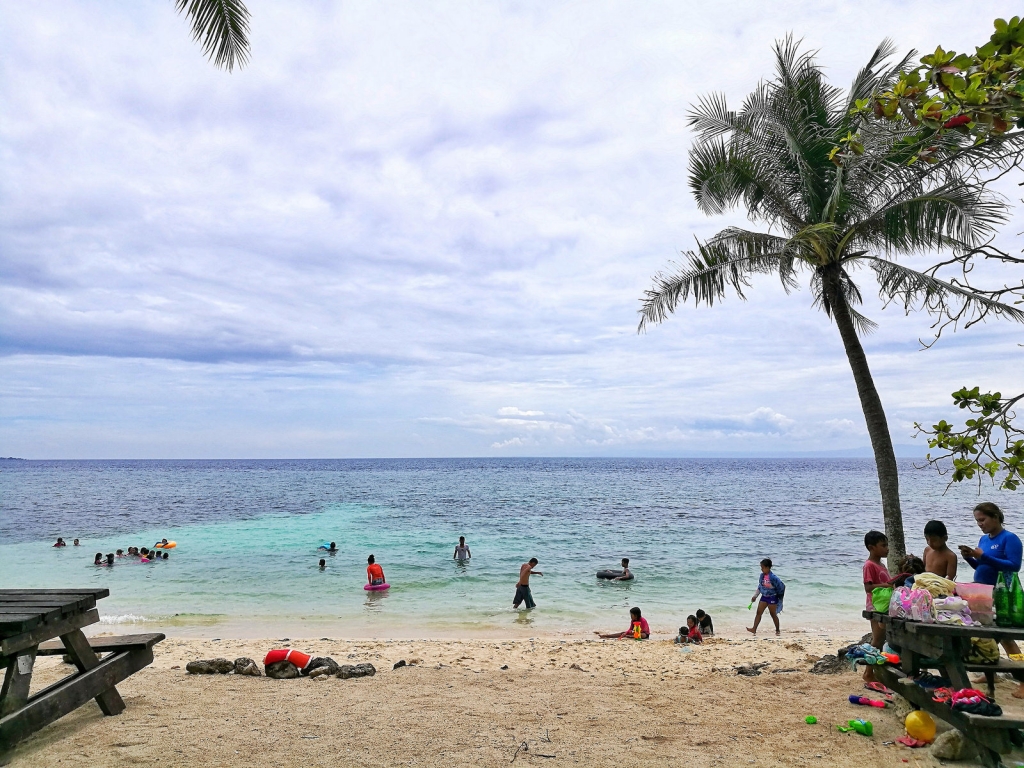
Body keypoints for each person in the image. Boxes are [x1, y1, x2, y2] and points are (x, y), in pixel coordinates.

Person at [958, 502, 1024, 697]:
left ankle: (1022, 679)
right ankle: (991, 673)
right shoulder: (983, 539)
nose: (980, 524)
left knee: (1006, 637)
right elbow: (982, 567)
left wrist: (984, 556)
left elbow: (1013, 566)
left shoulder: (1010, 539)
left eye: (983, 519)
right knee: (986, 637)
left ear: (995, 517)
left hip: (1002, 594)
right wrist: (970, 558)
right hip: (983, 594)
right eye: (977, 521)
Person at [862, 530, 892, 682]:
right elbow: (868, 588)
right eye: (883, 545)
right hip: (875, 607)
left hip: (883, 606)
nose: (887, 548)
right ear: (871, 547)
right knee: (877, 639)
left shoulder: (881, 564)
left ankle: (874, 670)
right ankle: (868, 672)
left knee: (881, 639)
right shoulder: (869, 565)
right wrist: (887, 585)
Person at [747, 558, 785, 636]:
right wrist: (755, 596)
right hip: (764, 597)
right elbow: (760, 587)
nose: (761, 569)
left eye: (763, 567)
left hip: (772, 597)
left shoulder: (773, 577)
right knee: (758, 613)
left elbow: (782, 586)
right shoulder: (762, 576)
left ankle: (777, 630)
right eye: (761, 567)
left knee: (773, 614)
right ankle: (754, 629)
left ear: (768, 567)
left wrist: (778, 596)